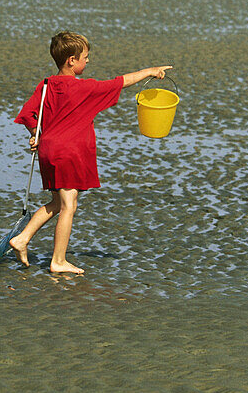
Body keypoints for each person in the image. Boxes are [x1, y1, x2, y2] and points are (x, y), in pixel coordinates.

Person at [10, 31, 171, 274]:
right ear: (71, 61)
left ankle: (22, 239)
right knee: (69, 206)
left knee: (57, 202)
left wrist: (36, 134)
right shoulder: (84, 88)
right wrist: (149, 71)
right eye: (85, 57)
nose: (88, 61)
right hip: (69, 152)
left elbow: (29, 114)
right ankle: (58, 260)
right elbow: (120, 82)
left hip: (49, 151)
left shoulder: (46, 85)